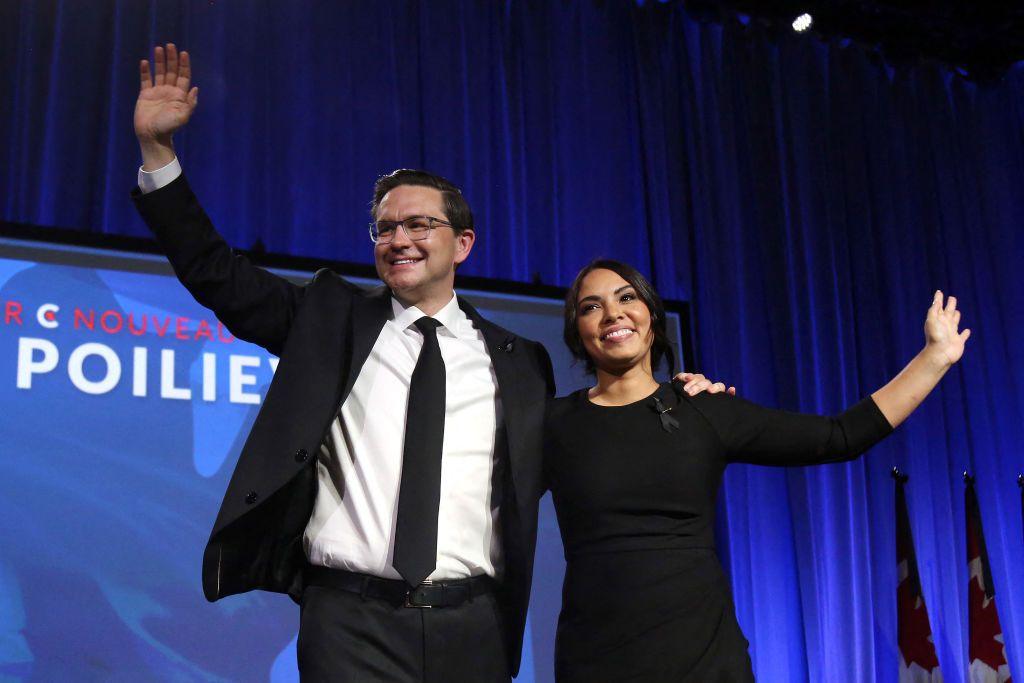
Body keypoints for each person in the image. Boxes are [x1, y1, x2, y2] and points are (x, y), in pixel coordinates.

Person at [130, 44, 725, 681]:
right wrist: (159, 157)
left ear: (461, 243)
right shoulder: (329, 321)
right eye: (384, 229)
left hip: (472, 628)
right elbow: (216, 273)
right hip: (348, 624)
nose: (398, 241)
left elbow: (588, 439)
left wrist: (672, 401)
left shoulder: (519, 363)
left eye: (418, 225)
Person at [544, 259, 970, 682]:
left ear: (651, 315)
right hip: (595, 662)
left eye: (627, 297)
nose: (613, 313)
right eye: (591, 306)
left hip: (704, 663)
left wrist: (935, 358)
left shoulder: (702, 409)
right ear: (577, 334)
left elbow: (839, 436)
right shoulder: (555, 425)